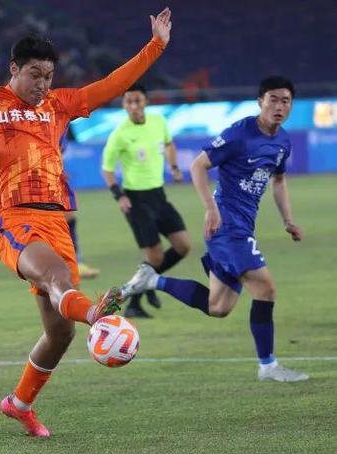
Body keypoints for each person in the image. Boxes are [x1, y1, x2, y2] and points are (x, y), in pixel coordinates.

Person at [0, 8, 172, 437]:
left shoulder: (59, 104)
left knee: (60, 334)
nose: (42, 84)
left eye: (49, 76)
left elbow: (111, 85)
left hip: (56, 219)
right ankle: (96, 313)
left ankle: (19, 403)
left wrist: (156, 46)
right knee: (58, 278)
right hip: (14, 218)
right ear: (14, 69)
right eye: (35, 74)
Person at [121, 76, 309, 382]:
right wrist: (211, 208)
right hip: (227, 227)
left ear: (291, 105)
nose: (279, 106)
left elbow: (278, 180)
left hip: (243, 226)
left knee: (218, 306)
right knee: (266, 289)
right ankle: (268, 366)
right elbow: (198, 165)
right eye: (272, 99)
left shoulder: (282, 142)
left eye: (285, 101)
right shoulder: (240, 133)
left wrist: (288, 220)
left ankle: (152, 280)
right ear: (260, 102)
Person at [101, 83, 189, 318]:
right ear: (123, 105)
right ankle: (132, 301)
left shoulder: (158, 122)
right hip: (136, 200)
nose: (133, 106)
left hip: (159, 196)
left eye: (137, 100)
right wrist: (119, 195)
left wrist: (174, 167)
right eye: (128, 101)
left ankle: (148, 284)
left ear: (146, 101)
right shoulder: (120, 134)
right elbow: (107, 169)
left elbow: (169, 143)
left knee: (183, 246)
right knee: (155, 257)